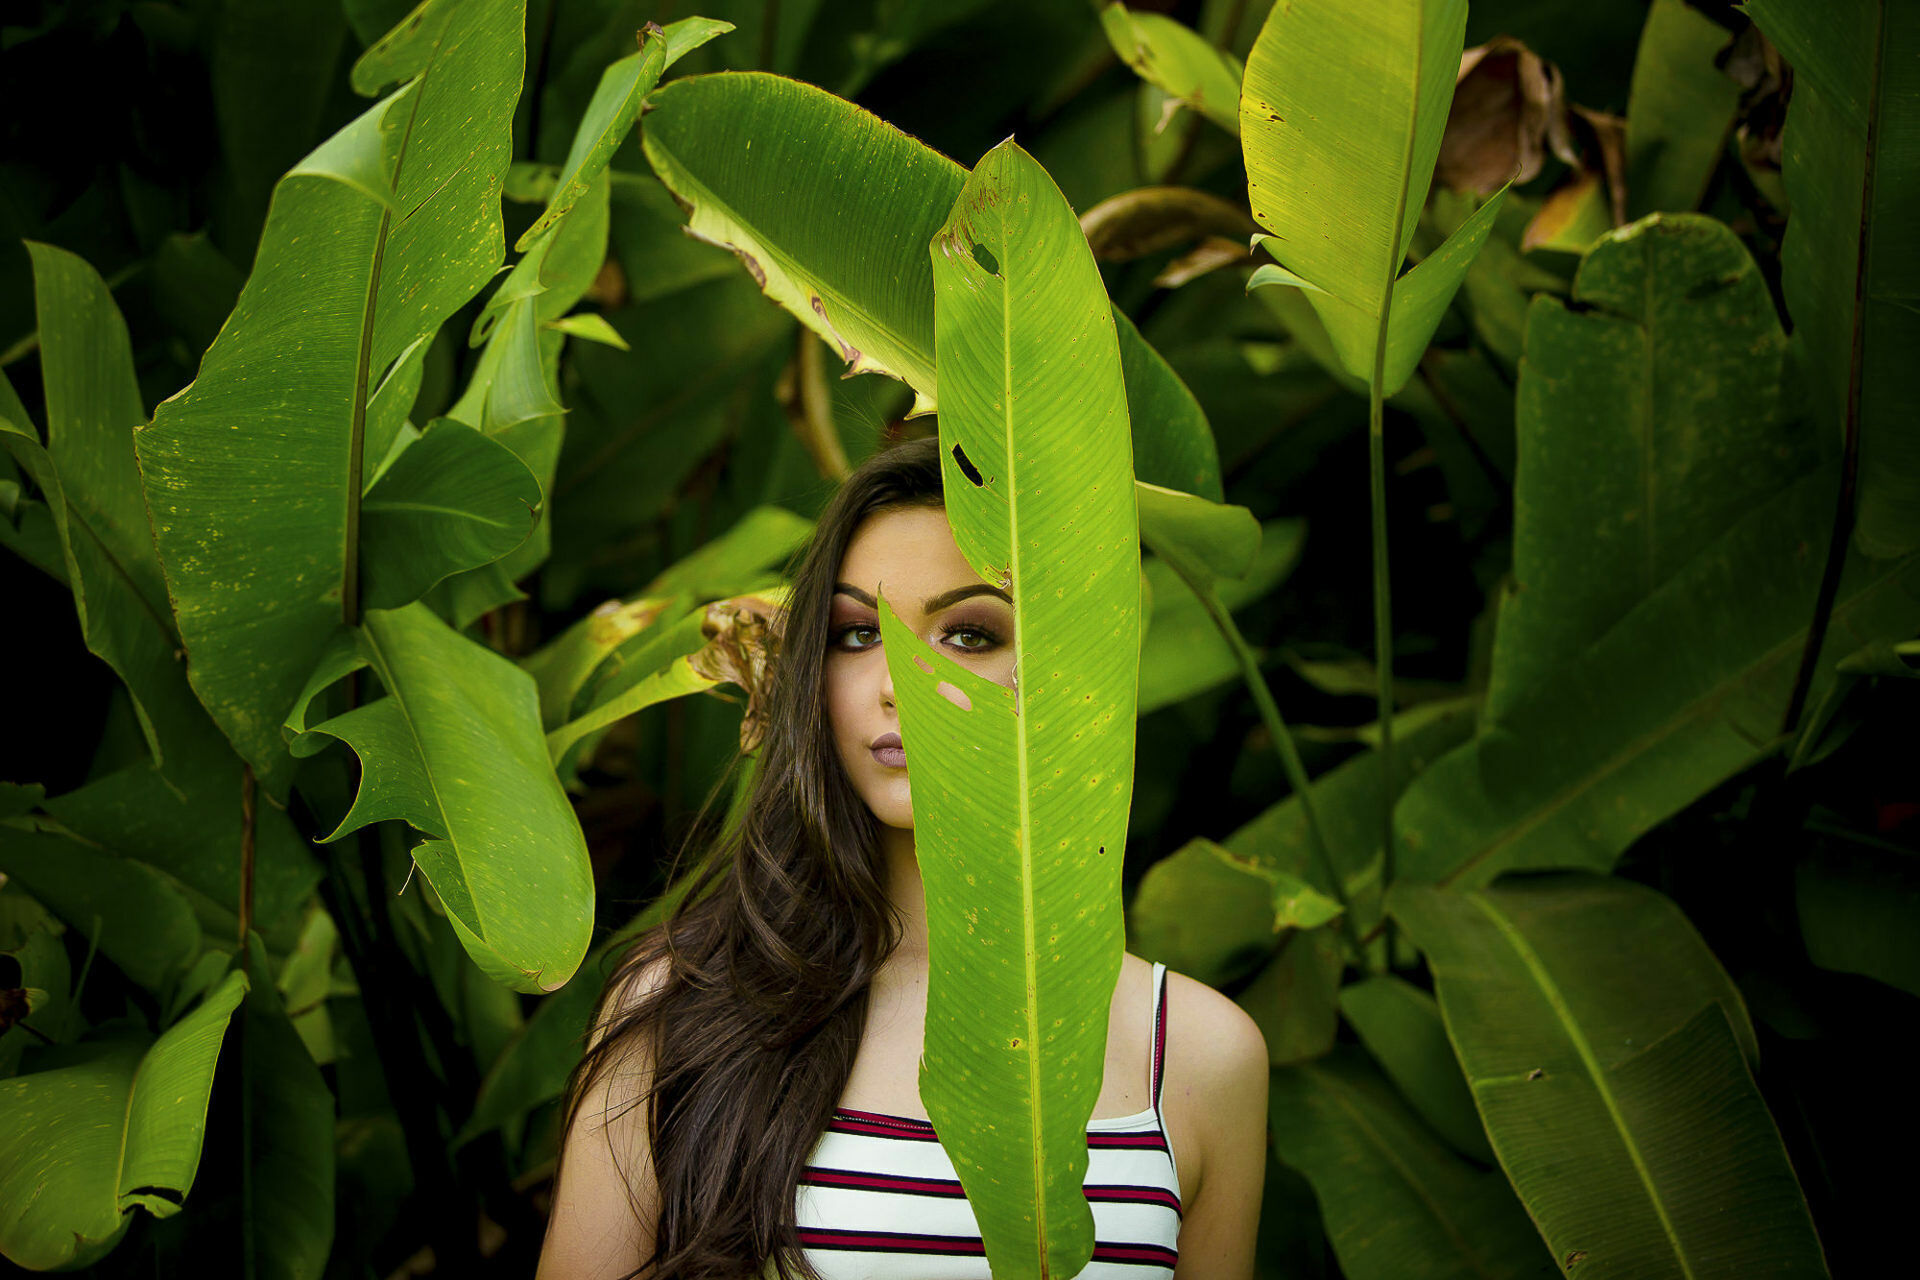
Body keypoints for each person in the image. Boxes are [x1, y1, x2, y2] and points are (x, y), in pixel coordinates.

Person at [536, 436, 1268, 1280]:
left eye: (967, 634)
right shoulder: (680, 1009)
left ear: (1071, 670)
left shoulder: (1201, 1054)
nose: (899, 681)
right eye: (855, 635)